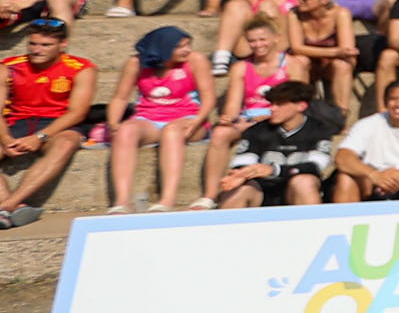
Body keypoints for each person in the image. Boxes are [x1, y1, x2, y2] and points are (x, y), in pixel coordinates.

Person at [106, 26, 214, 214]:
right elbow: (120, 97)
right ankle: (122, 201)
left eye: (188, 44)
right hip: (149, 118)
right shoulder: (136, 63)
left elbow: (208, 97)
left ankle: (167, 199)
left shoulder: (196, 60)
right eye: (180, 46)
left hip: (188, 117)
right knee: (125, 130)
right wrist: (113, 123)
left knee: (171, 131)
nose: (187, 50)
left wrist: (196, 122)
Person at [191, 19, 297, 207]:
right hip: (249, 119)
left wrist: (270, 117)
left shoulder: (292, 64)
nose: (257, 45)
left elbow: (299, 101)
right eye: (252, 41)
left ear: (276, 38)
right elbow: (233, 105)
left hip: (279, 118)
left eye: (262, 39)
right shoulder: (241, 67)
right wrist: (228, 119)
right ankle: (210, 195)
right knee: (220, 133)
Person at [0, 18, 95, 228]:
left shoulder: (81, 68)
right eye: (32, 44)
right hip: (16, 122)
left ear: (62, 44)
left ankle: (8, 205)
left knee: (67, 142)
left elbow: (77, 113)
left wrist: (40, 137)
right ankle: (13, 208)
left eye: (45, 45)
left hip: (56, 124)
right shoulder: (9, 67)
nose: (37, 50)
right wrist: (5, 139)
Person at [210, 0, 316, 74]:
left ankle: (273, 61)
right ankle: (221, 58)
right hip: (252, 46)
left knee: (267, 6)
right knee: (235, 5)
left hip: (283, 44)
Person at [288, 0, 358, 107]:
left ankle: (341, 112)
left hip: (330, 65)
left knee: (342, 65)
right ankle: (299, 108)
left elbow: (347, 50)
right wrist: (335, 52)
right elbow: (296, 48)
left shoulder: (340, 13)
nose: (299, 0)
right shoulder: (294, 13)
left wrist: (338, 53)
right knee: (299, 61)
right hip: (310, 65)